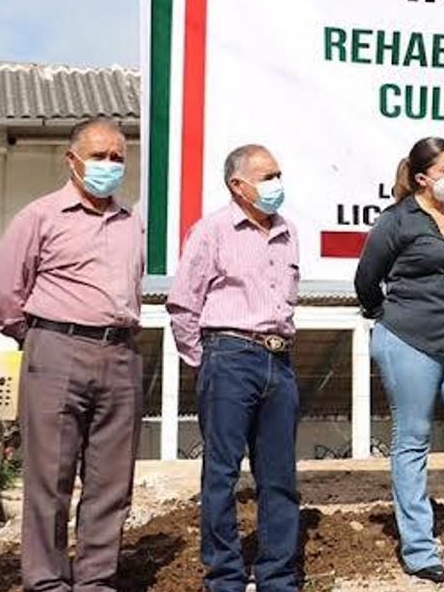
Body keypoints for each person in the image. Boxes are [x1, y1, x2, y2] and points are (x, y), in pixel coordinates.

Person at [0, 117, 144, 592]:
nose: (109, 165)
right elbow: (5, 292)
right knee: (49, 479)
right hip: (55, 349)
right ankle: (47, 581)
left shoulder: (134, 224)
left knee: (111, 483)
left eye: (117, 157)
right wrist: (38, 339)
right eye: (99, 156)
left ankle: (95, 580)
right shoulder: (40, 216)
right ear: (72, 160)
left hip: (120, 355)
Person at [354, 138, 444, 582]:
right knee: (413, 439)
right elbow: (366, 280)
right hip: (410, 339)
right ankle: (419, 549)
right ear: (422, 178)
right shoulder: (397, 221)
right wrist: (389, 318)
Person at [167, 144, 303, 592]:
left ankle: (277, 576)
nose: (275, 185)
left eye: (277, 174)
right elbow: (184, 303)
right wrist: (203, 362)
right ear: (237, 185)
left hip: (278, 359)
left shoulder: (288, 232)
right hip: (228, 352)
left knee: (279, 476)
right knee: (222, 473)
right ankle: (224, 576)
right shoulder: (212, 231)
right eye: (266, 176)